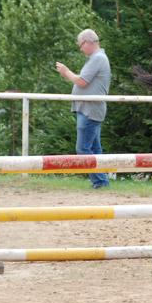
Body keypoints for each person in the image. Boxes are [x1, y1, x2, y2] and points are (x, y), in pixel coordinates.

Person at [55, 28, 111, 189]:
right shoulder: (98, 58)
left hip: (89, 111)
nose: (80, 49)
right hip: (89, 109)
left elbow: (81, 81)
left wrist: (66, 72)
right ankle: (101, 182)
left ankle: (100, 181)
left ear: (87, 42)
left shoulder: (97, 58)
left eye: (80, 45)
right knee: (94, 149)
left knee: (83, 149)